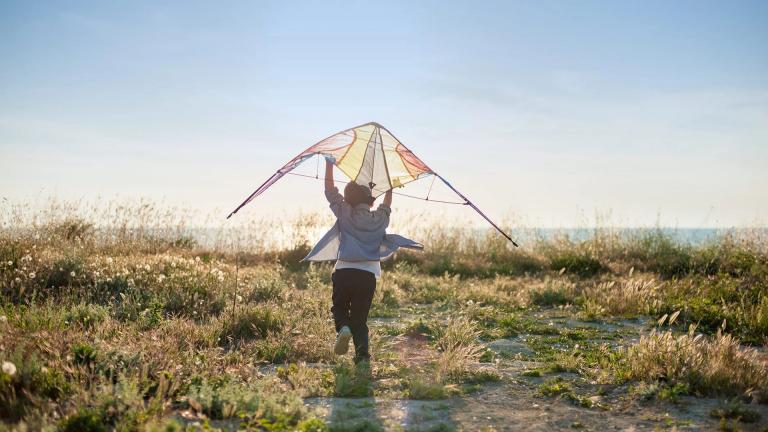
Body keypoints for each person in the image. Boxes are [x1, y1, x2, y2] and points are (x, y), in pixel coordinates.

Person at [302, 155, 422, 364]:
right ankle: (363, 356)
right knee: (360, 317)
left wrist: (329, 165)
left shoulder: (344, 212)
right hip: (367, 275)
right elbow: (387, 204)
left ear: (348, 200)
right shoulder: (379, 219)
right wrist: (390, 186)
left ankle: (343, 328)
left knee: (339, 308)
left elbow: (330, 191)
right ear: (372, 201)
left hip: (344, 272)